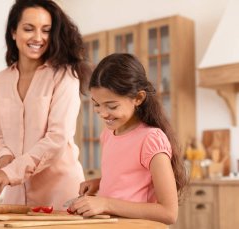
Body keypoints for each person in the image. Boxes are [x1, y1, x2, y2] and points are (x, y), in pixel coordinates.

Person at [0, 0, 91, 210]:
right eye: (29, 29)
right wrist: (5, 158)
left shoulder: (65, 76)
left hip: (60, 193)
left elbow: (57, 138)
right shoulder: (0, 81)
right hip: (15, 195)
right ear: (14, 32)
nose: (38, 38)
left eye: (46, 30)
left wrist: (10, 172)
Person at [69, 53, 187, 225]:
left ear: (138, 98)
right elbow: (131, 181)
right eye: (96, 104)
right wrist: (100, 183)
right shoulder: (109, 134)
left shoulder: (150, 139)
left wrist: (106, 203)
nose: (102, 113)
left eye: (112, 106)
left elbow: (169, 213)